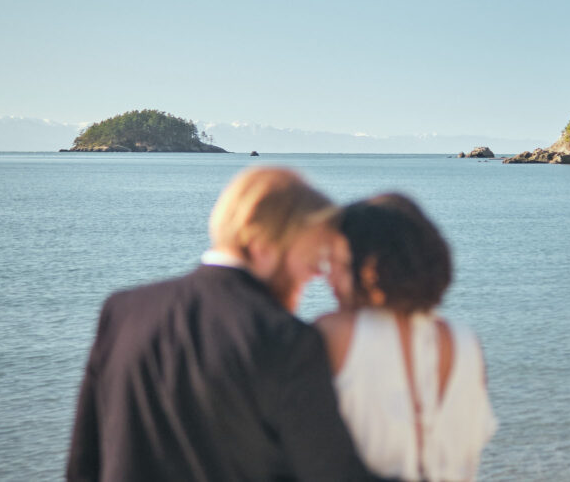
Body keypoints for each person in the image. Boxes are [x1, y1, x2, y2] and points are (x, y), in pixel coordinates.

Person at [67, 167, 377, 481]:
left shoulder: (122, 311)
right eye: (312, 260)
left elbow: (83, 464)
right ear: (262, 244)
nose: (317, 275)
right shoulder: (287, 339)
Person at [316, 194, 497, 482]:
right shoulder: (465, 342)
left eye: (338, 263)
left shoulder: (335, 333)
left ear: (371, 267)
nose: (328, 279)